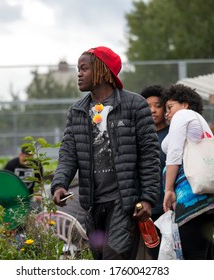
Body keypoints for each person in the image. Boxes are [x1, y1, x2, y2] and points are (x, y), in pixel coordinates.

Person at [51, 46, 161, 260]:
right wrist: (60, 184)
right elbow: (68, 154)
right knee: (100, 257)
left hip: (125, 201)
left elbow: (149, 155)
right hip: (92, 203)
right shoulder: (77, 112)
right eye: (78, 69)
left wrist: (148, 198)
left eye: (84, 68)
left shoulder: (134, 105)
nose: (79, 74)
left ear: (102, 71)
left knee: (114, 255)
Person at [161, 84, 214, 259]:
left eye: (169, 107)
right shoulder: (197, 120)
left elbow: (174, 154)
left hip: (194, 201)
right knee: (203, 255)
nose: (166, 113)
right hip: (210, 201)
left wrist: (168, 189)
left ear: (185, 104)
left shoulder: (183, 115)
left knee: (192, 256)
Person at [140, 85, 169, 259]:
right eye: (148, 106)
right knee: (155, 254)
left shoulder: (174, 133)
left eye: (157, 105)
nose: (152, 110)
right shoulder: (139, 136)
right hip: (148, 208)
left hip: (170, 206)